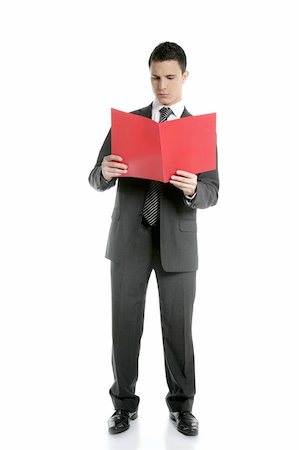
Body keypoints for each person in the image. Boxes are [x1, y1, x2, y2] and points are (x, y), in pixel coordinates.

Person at [88, 41, 219, 436]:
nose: (161, 86)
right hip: (129, 239)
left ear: (184, 76)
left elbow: (214, 192)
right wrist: (107, 173)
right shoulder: (128, 123)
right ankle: (123, 405)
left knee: (179, 328)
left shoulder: (199, 130)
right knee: (124, 325)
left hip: (178, 244)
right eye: (155, 78)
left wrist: (195, 187)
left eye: (169, 77)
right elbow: (94, 177)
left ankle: (182, 406)